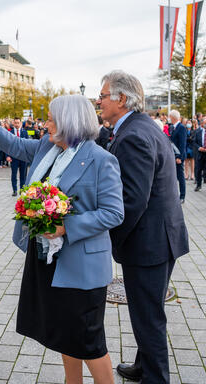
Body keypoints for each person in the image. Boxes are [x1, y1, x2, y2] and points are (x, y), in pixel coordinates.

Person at [0, 87, 124, 384]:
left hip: (82, 266)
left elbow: (114, 213)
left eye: (51, 120)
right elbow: (12, 143)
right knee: (66, 334)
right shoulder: (46, 148)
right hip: (47, 260)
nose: (46, 124)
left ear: (70, 122)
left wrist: (67, 226)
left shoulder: (101, 159)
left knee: (90, 340)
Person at [97, 70, 188, 384]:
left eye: (103, 95)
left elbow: (132, 199)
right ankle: (143, 364)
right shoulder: (142, 126)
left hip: (149, 243)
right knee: (147, 310)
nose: (99, 100)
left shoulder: (133, 134)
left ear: (121, 99)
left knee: (148, 317)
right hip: (162, 237)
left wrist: (110, 239)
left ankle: (155, 377)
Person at [7, 117, 29, 196]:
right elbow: (7, 145)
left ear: (20, 123)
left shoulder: (25, 132)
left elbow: (28, 145)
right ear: (13, 123)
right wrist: (8, 155)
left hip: (23, 157)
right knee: (14, 174)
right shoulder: (10, 132)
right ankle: (14, 190)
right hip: (14, 157)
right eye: (15, 123)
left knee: (23, 175)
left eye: (18, 123)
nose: (16, 124)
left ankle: (22, 190)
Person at [169, 110, 187, 203]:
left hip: (178, 157)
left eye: (170, 117)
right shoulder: (173, 127)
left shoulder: (181, 128)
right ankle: (176, 195)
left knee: (180, 177)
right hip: (173, 156)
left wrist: (180, 157)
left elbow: (182, 144)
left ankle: (182, 196)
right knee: (174, 176)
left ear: (173, 117)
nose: (169, 118)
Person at [194, 117, 206, 191]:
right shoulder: (198, 132)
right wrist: (199, 148)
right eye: (205, 123)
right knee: (198, 169)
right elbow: (194, 142)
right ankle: (198, 185)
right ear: (201, 124)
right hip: (200, 153)